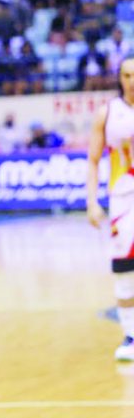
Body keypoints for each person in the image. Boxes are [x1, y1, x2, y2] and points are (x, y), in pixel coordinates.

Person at [86, 55, 134, 361]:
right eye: (127, 75)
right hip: (123, 197)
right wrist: (92, 201)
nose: (132, 81)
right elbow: (92, 161)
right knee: (124, 268)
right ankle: (130, 336)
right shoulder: (108, 112)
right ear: (120, 78)